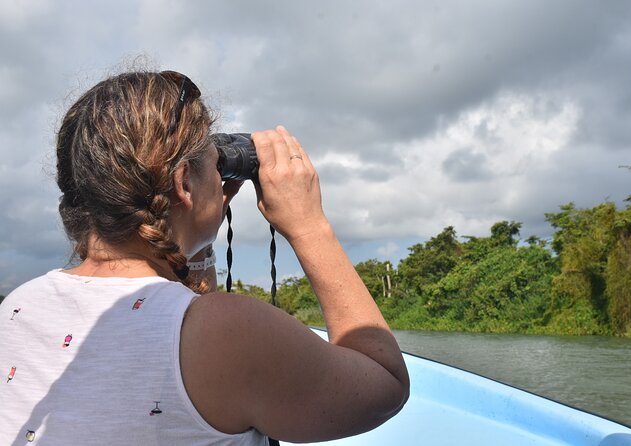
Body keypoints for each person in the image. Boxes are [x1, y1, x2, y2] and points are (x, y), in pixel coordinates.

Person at [0, 70, 409, 445]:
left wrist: (195, 231)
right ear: (183, 183)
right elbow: (385, 384)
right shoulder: (229, 332)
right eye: (216, 164)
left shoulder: (19, 306)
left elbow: (169, 312)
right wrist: (308, 225)